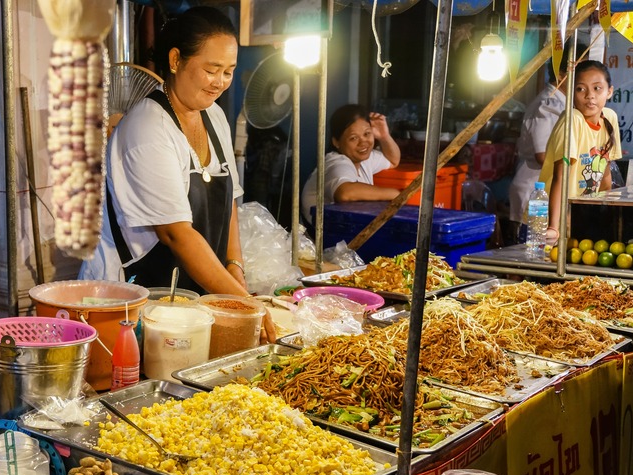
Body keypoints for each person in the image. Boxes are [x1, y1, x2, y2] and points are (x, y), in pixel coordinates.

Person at [80, 6, 276, 342]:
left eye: (228, 72)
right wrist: (245, 306)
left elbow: (228, 201)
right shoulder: (147, 128)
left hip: (190, 295)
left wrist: (234, 267)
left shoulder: (213, 117)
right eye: (212, 69)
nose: (220, 83)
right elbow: (175, 235)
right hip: (133, 302)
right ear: (175, 60)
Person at [539, 60, 622, 244]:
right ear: (571, 92)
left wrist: (607, 212)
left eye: (597, 88)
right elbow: (561, 175)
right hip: (554, 214)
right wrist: (554, 226)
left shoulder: (610, 118)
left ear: (609, 91)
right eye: (580, 89)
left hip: (582, 214)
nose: (589, 96)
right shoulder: (573, 120)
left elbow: (605, 171)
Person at [508, 45, 581, 243]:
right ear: (561, 73)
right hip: (535, 190)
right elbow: (542, 155)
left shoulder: (564, 103)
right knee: (529, 258)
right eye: (579, 71)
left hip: (549, 190)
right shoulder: (547, 105)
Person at [301, 104, 401, 225]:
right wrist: (396, 194)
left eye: (367, 134)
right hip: (317, 242)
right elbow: (345, 193)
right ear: (336, 142)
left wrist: (384, 136)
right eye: (353, 138)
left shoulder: (363, 158)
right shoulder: (335, 163)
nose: (363, 142)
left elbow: (393, 160)